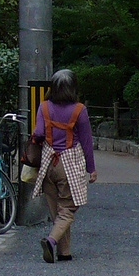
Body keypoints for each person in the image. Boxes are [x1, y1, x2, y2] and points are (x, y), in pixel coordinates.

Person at [30, 68, 97, 263]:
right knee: (68, 208)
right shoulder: (79, 110)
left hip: (48, 164)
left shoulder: (43, 107)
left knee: (56, 212)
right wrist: (91, 169)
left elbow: (38, 132)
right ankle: (51, 240)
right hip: (69, 164)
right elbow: (86, 141)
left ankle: (64, 252)